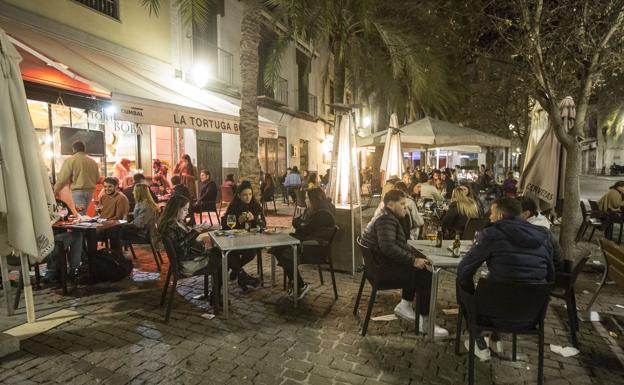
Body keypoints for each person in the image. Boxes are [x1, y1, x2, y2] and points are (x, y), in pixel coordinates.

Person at [457, 198, 556, 361]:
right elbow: (551, 277)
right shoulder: (544, 236)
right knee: (503, 284)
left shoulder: (491, 234)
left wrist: (472, 294)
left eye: (492, 213)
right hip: (530, 316)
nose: (489, 217)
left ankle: (477, 335)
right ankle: (495, 338)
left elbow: (464, 270)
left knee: (463, 281)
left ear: (501, 216)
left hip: (492, 315)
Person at [362, 190, 449, 337]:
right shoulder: (386, 219)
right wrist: (413, 260)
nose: (406, 208)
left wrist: (414, 254)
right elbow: (388, 247)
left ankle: (406, 305)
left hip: (377, 268)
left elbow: (396, 243)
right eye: (402, 204)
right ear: (390, 204)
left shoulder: (386, 216)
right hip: (383, 272)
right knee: (427, 275)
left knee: (420, 268)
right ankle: (426, 323)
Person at [271, 188, 336, 299]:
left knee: (282, 252)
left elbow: (304, 228)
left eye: (307, 198)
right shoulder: (316, 210)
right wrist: (300, 223)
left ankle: (299, 285)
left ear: (314, 200)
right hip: (307, 243)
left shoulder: (322, 214)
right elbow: (298, 222)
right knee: (279, 248)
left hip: (313, 248)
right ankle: (297, 284)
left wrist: (300, 223)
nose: (305, 200)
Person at [221, 181, 264, 289]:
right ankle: (241, 275)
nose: (248, 197)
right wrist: (238, 221)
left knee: (251, 252)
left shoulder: (255, 205)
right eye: (244, 195)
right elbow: (225, 226)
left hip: (250, 241)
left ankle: (237, 270)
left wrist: (254, 219)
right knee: (230, 253)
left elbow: (264, 223)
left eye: (250, 194)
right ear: (239, 195)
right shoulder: (233, 206)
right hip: (234, 241)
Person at [158, 195, 215, 276]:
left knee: (218, 252)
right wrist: (194, 232)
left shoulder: (176, 222)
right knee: (221, 258)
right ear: (175, 209)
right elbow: (180, 248)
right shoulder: (170, 226)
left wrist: (194, 230)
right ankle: (218, 286)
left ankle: (222, 282)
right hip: (188, 263)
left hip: (190, 257)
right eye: (185, 210)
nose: (187, 212)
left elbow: (182, 239)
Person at [110, 184, 160, 254]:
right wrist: (128, 215)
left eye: (134, 191)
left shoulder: (145, 206)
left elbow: (138, 224)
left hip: (143, 234)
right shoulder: (146, 203)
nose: (133, 193)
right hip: (147, 231)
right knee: (116, 229)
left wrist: (122, 224)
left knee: (114, 231)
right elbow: (141, 217)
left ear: (138, 193)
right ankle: (118, 253)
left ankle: (117, 255)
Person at [517, 196, 563, 273]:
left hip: (548, 275)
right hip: (548, 271)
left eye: (513, 214)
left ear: (526, 214)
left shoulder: (533, 230)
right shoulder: (540, 219)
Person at [54, 140, 100, 214]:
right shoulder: (92, 161)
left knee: (80, 214)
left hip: (78, 192)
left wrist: (55, 190)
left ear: (74, 149)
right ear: (84, 149)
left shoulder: (71, 160)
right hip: (90, 191)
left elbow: (62, 178)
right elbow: (97, 178)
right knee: (83, 213)